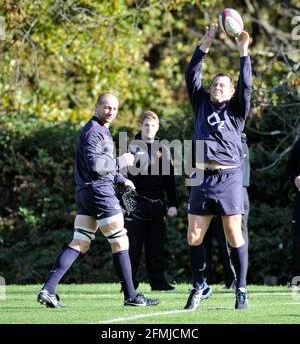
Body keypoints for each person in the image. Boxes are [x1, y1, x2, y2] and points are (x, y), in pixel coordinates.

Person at [37, 92, 160, 308]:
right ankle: (131, 296)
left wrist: (121, 179)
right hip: (99, 193)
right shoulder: (95, 132)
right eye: (106, 107)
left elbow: (103, 165)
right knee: (120, 241)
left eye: (114, 108)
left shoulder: (101, 130)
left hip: (87, 193)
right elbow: (97, 166)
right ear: (96, 107)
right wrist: (123, 160)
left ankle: (48, 289)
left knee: (80, 242)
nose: (111, 111)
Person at [184, 23, 252, 310]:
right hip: (201, 177)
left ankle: (241, 289)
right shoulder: (200, 102)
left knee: (234, 233)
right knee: (193, 235)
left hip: (228, 177)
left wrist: (243, 53)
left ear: (231, 91)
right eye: (214, 84)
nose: (216, 87)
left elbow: (247, 85)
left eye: (222, 85)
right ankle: (200, 285)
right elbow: (191, 74)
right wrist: (205, 45)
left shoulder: (237, 111)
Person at [125, 110, 178, 291]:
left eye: (153, 126)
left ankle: (158, 282)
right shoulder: (131, 146)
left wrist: (173, 204)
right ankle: (130, 283)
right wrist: (124, 204)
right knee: (133, 247)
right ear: (140, 126)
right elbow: (123, 176)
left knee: (156, 247)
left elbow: (169, 179)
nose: (149, 128)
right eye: (146, 125)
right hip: (136, 205)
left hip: (157, 205)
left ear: (157, 128)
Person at [204, 133, 250, 289]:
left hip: (235, 191)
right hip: (219, 189)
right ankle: (232, 279)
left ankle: (238, 280)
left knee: (237, 236)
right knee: (226, 236)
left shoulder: (237, 142)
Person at [286, 137, 300, 285]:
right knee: (298, 241)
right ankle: (297, 280)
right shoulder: (299, 143)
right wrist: (294, 178)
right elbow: (289, 169)